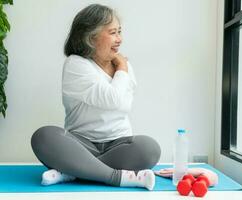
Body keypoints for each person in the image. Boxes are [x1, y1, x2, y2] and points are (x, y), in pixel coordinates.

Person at [31, 4, 161, 190]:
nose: (120, 39)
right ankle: (115, 177)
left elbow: (124, 105)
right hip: (79, 145)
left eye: (120, 32)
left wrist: (122, 68)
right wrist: (122, 68)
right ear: (91, 37)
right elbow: (113, 100)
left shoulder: (122, 66)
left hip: (119, 145)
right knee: (43, 136)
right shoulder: (76, 64)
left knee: (150, 148)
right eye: (113, 33)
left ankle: (73, 170)